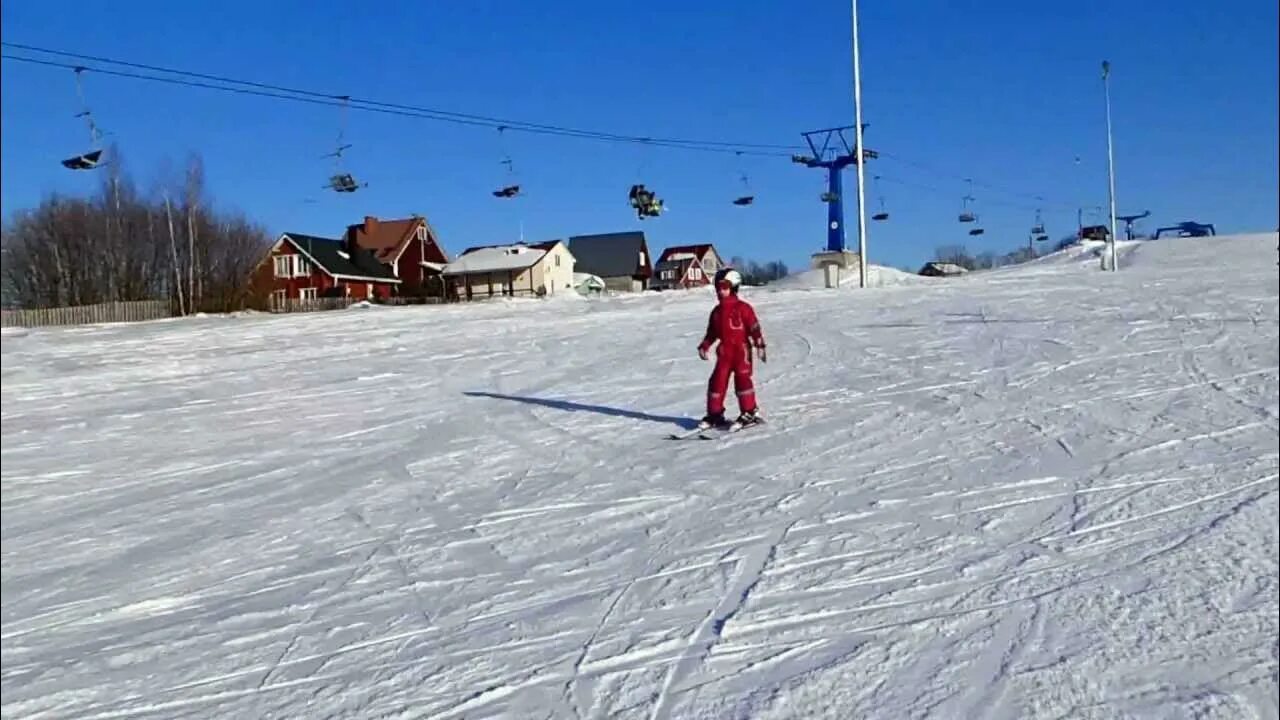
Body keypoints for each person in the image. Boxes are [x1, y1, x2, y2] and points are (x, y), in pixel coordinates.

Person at [696, 267, 767, 428]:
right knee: (717, 381)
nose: (721, 292)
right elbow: (712, 333)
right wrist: (705, 345)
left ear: (734, 287)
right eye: (718, 288)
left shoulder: (743, 308)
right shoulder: (716, 312)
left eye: (724, 287)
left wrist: (759, 344)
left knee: (742, 380)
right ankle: (715, 413)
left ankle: (749, 411)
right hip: (724, 353)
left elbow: (754, 328)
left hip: (741, 351)